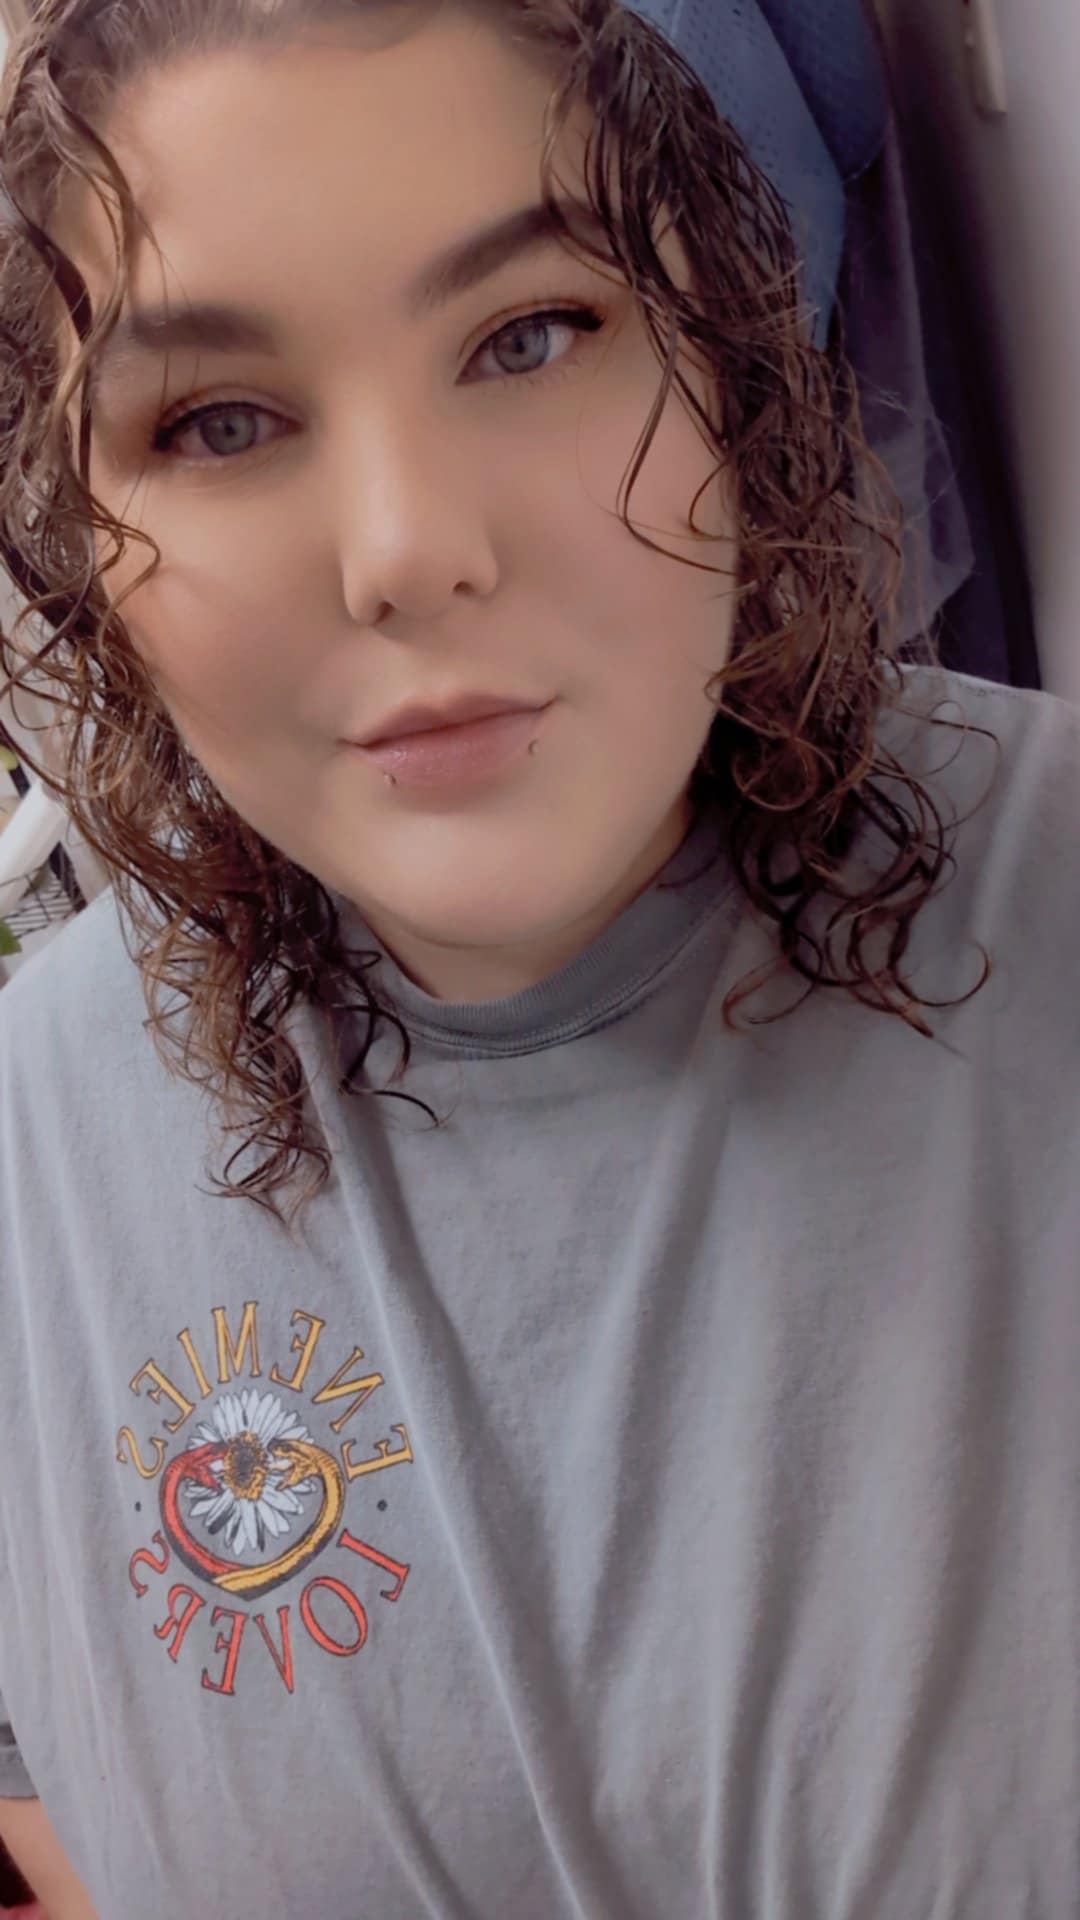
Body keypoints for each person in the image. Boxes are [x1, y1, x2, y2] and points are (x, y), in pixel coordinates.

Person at [0, 1, 1077, 1916]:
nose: (409, 550)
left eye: (531, 336)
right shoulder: (33, 1143)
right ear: (83, 544)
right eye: (219, 422)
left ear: (732, 365)